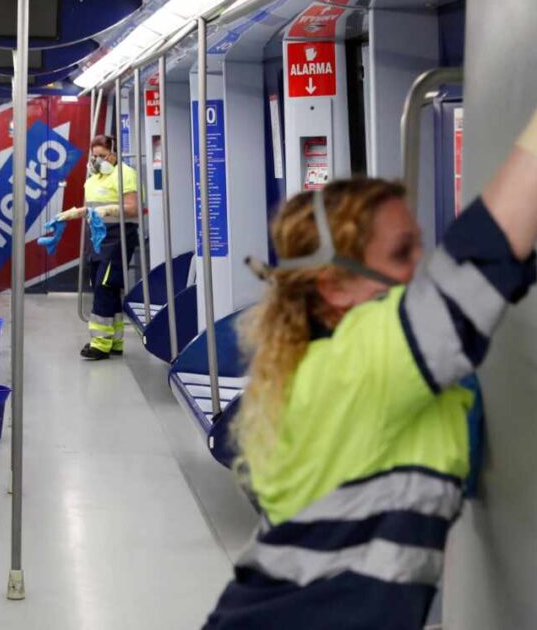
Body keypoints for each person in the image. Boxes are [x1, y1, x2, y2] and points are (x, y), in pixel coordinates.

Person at [203, 106, 537, 629]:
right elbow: (487, 253)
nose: (421, 272)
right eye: (402, 255)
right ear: (334, 286)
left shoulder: (325, 371)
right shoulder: (353, 369)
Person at [54, 134, 139, 360]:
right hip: (98, 238)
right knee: (106, 286)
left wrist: (110, 209)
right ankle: (115, 341)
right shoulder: (92, 180)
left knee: (104, 284)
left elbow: (133, 209)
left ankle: (99, 343)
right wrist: (72, 214)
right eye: (94, 156)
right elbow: (90, 209)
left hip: (119, 236)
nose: (97, 160)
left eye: (102, 156)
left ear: (113, 154)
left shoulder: (125, 174)